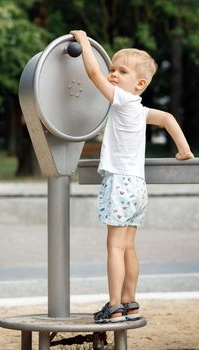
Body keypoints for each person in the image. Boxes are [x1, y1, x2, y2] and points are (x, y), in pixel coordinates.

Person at [70, 30, 194, 323]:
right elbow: (167, 119)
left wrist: (84, 41)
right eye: (111, 68)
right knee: (129, 247)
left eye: (120, 71)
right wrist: (184, 150)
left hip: (120, 182)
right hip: (137, 187)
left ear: (139, 84)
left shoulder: (123, 101)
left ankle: (113, 306)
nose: (112, 74)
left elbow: (91, 72)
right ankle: (130, 302)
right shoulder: (139, 110)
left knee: (114, 246)